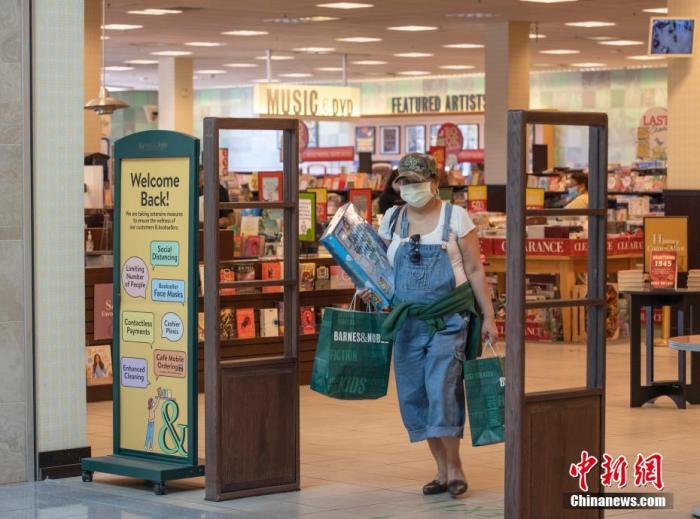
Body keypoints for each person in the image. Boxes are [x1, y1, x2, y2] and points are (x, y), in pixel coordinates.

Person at [358, 152, 498, 498]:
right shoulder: (392, 220)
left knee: (442, 390)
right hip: (406, 323)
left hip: (448, 320)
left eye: (417, 182)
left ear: (434, 182)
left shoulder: (455, 218)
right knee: (415, 395)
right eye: (404, 182)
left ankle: (455, 466)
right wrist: (369, 287)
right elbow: (381, 269)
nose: (410, 188)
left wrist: (489, 316)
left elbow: (475, 270)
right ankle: (440, 469)